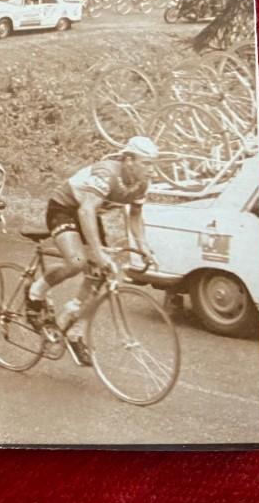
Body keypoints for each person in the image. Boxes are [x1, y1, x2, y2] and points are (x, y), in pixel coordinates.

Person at [27, 137, 160, 366]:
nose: (152, 170)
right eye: (147, 163)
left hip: (90, 215)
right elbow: (86, 209)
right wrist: (97, 252)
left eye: (153, 164)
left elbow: (135, 217)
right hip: (65, 209)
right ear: (129, 160)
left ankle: (74, 329)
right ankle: (35, 293)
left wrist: (143, 247)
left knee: (101, 273)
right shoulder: (106, 173)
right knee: (78, 262)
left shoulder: (141, 183)